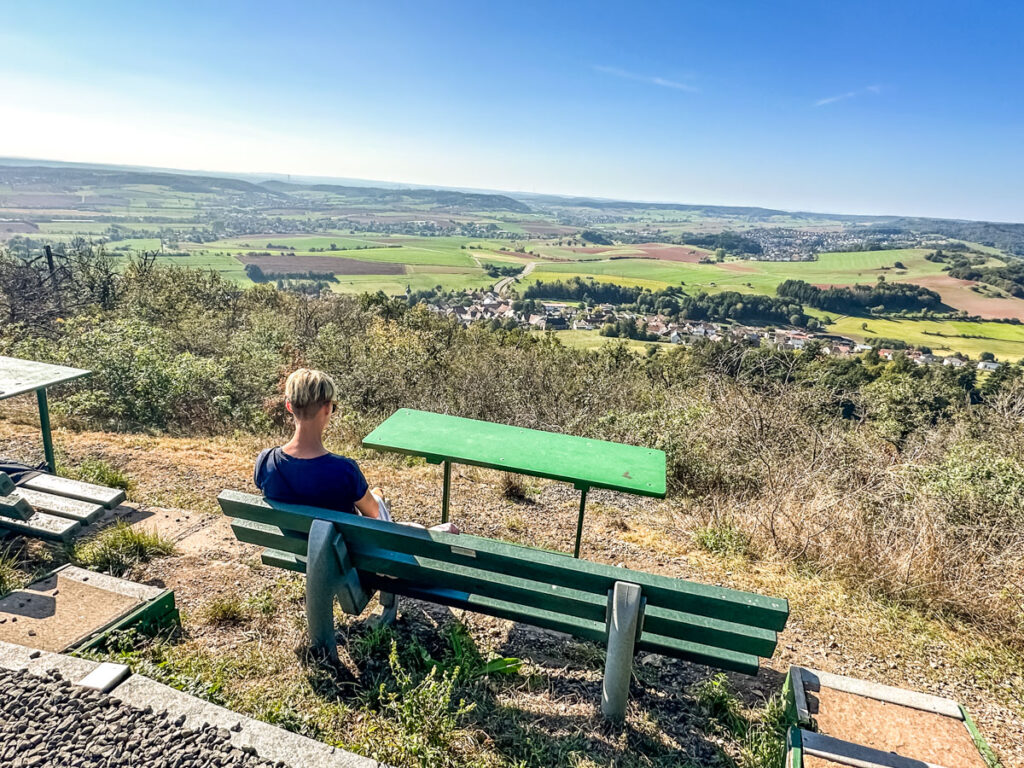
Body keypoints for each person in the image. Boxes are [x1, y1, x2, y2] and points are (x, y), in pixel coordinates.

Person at [255, 368, 459, 533]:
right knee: (436, 527)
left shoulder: (266, 462)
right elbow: (373, 513)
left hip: (299, 551)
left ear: (289, 406)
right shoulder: (343, 470)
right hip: (343, 560)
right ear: (326, 408)